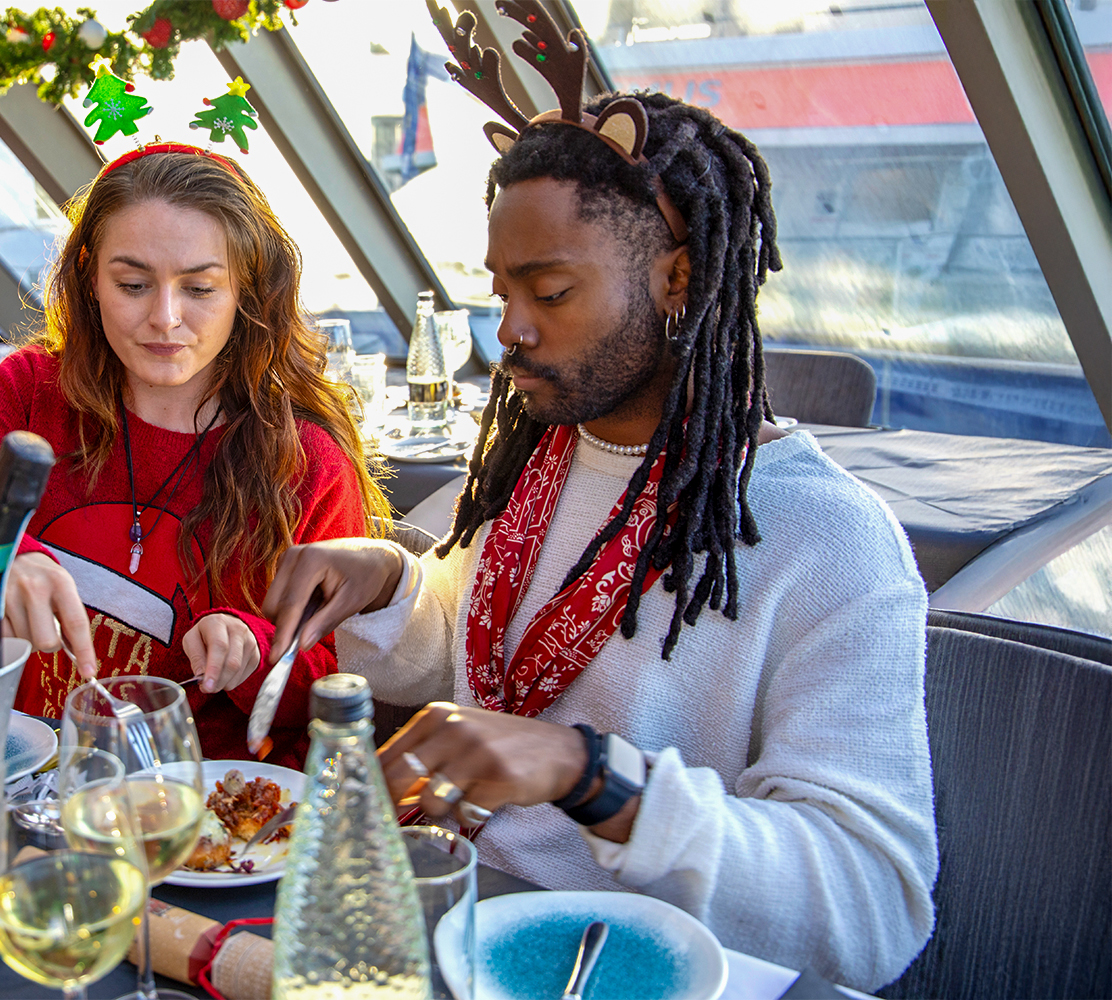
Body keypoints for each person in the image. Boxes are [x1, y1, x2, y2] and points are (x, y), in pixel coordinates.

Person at [260, 4, 936, 990]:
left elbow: (872, 910)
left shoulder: (828, 542)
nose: (509, 334)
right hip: (464, 933)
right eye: (500, 293)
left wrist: (593, 779)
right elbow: (487, 650)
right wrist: (386, 584)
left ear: (679, 276)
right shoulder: (542, 460)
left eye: (551, 292)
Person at [0, 144, 386, 765]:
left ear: (249, 289)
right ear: (88, 277)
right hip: (37, 773)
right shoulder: (35, 390)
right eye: (133, 285)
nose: (165, 318)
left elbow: (331, 689)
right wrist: (0, 562)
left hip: (212, 816)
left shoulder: (305, 459)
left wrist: (254, 645)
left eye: (199, 287)